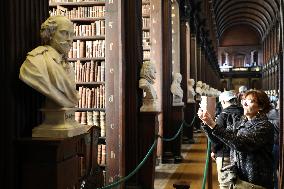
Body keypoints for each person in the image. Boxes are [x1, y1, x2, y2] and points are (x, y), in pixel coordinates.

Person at [198, 89, 274, 189]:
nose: (245, 104)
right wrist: (207, 124)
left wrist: (213, 125)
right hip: (239, 179)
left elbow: (240, 144)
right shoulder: (241, 122)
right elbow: (220, 138)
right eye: (244, 100)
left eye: (250, 101)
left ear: (261, 106)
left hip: (255, 181)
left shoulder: (264, 126)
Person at [19, 15, 79, 108]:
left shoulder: (67, 65)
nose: (69, 39)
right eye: (64, 33)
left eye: (72, 34)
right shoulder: (36, 61)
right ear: (50, 34)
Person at [203, 91, 243, 189]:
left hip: (225, 154)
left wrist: (214, 150)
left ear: (224, 101)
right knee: (240, 184)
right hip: (242, 154)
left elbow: (218, 138)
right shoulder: (243, 112)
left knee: (225, 184)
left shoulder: (223, 115)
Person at [267, 98, 279, 189]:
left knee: (273, 169)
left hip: (275, 144)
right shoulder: (271, 113)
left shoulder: (271, 113)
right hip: (276, 144)